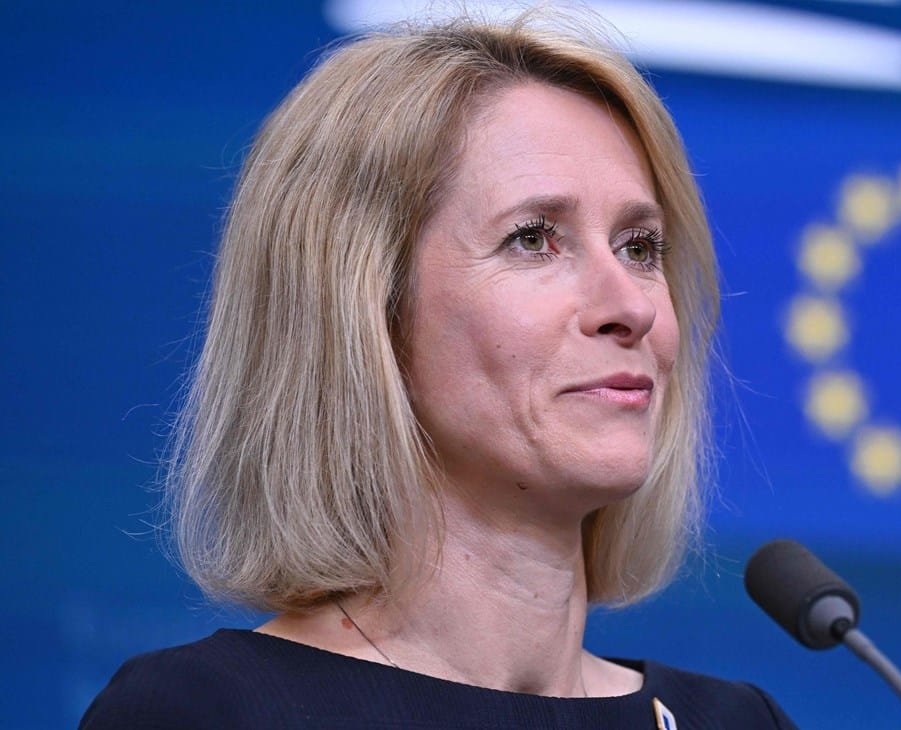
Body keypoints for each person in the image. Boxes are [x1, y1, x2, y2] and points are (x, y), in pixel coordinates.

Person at [80, 10, 797, 729]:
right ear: (365, 308)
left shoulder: (738, 722)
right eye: (533, 240)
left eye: (640, 248)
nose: (630, 308)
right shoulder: (208, 712)